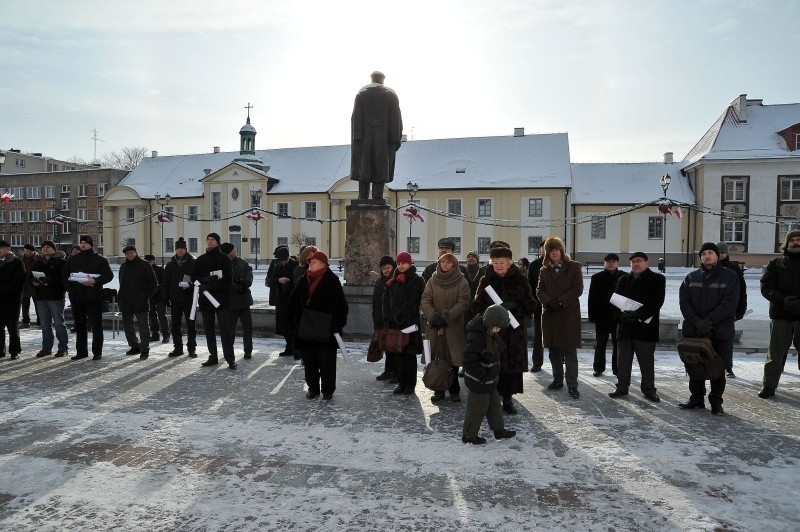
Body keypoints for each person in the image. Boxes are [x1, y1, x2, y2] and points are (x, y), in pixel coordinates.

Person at [473, 245, 536, 414]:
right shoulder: (485, 280)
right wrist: (489, 315)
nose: (499, 266)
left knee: (510, 367)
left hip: (514, 332)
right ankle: (492, 399)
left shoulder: (521, 280)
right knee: (492, 366)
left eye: (502, 262)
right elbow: (477, 304)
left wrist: (515, 306)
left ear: (509, 263)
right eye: (495, 263)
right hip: (493, 332)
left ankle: (508, 399)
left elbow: (531, 304)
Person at [678, 242, 739, 415]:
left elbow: (729, 304)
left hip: (720, 331)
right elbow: (684, 302)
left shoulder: (729, 276)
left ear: (717, 256)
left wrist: (709, 322)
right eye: (703, 254)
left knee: (717, 367)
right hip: (694, 330)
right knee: (694, 365)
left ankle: (716, 402)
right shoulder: (691, 277)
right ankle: (696, 398)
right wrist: (697, 322)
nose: (706, 256)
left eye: (710, 253)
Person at [288, 251, 348, 400]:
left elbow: (341, 306)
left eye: (313, 262)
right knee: (310, 362)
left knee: (327, 362)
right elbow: (293, 301)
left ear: (323, 264)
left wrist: (337, 325)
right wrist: (292, 321)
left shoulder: (332, 280)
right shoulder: (303, 279)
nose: (310, 264)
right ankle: (313, 388)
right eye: (310, 262)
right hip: (307, 328)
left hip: (326, 329)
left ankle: (328, 390)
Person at [608, 252, 665, 402]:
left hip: (645, 328)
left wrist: (638, 315)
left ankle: (649, 390)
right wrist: (620, 317)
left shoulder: (657, 279)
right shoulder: (623, 280)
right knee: (623, 361)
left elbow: (656, 302)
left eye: (639, 261)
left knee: (646, 362)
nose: (635, 264)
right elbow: (615, 301)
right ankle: (621, 387)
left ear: (647, 263)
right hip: (626, 327)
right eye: (633, 262)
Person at [461, 304, 517, 445]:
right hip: (479, 381)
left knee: (494, 406)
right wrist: (483, 376)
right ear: (489, 323)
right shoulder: (476, 337)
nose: (498, 330)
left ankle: (499, 430)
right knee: (477, 409)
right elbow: (468, 361)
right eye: (497, 327)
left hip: (490, 380)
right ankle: (469, 435)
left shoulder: (489, 333)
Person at [537, 236, 583, 398]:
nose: (554, 253)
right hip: (550, 314)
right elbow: (539, 290)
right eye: (550, 250)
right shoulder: (544, 270)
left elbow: (578, 289)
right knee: (554, 350)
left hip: (568, 315)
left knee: (569, 351)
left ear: (562, 250)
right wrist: (549, 302)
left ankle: (572, 385)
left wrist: (561, 302)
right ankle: (557, 379)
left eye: (556, 249)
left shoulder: (574, 266)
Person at [420, 252, 471, 403]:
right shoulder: (432, 280)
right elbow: (425, 300)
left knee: (453, 360)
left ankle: (454, 390)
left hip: (453, 327)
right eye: (443, 262)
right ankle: (439, 390)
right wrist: (434, 318)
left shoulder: (461, 281)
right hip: (435, 327)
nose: (445, 265)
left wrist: (446, 318)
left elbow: (463, 302)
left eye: (448, 262)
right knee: (437, 359)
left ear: (454, 265)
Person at [758, 230, 800, 399]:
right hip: (781, 315)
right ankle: (769, 386)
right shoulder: (776, 264)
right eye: (793, 240)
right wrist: (782, 300)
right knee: (775, 354)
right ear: (787, 243)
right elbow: (766, 287)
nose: (796, 242)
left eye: (799, 240)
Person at [351, 71, 403, 201]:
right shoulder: (390, 95)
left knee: (364, 169)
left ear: (371, 79)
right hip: (383, 140)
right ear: (382, 80)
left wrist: (356, 137)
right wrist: (396, 139)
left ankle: (362, 198)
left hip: (363, 140)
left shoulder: (362, 94)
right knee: (380, 168)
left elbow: (355, 117)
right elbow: (396, 118)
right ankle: (377, 198)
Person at [63, 235, 113, 361]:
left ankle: (97, 352)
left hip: (94, 297)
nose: (83, 245)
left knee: (96, 326)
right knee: (80, 326)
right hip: (77, 297)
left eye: (86, 243)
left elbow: (108, 275)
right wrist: (70, 290)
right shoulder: (73, 260)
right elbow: (64, 276)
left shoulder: (100, 260)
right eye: (81, 242)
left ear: (91, 244)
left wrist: (95, 281)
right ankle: (81, 351)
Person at [382, 251, 425, 395]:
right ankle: (401, 383)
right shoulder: (392, 281)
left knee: (409, 355)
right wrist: (388, 317)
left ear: (410, 263)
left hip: (409, 324)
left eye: (404, 263)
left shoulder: (417, 280)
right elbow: (386, 301)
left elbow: (414, 303)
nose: (401, 266)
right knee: (398, 355)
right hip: (394, 324)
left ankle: (410, 385)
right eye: (399, 263)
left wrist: (403, 318)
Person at [192, 233, 236, 369]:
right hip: (205, 299)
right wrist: (203, 281)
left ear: (218, 242)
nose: (210, 241)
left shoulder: (224, 259)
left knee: (225, 330)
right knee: (208, 329)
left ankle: (230, 358)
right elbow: (194, 277)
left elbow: (228, 279)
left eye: (213, 240)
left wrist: (210, 284)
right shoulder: (200, 259)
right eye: (208, 239)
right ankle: (213, 356)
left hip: (221, 300)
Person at [588, 253, 625, 377]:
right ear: (604, 262)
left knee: (618, 344)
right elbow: (591, 298)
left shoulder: (624, 276)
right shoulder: (597, 277)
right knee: (600, 344)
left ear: (617, 263)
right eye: (608, 261)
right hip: (602, 316)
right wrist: (592, 316)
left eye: (614, 261)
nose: (611, 263)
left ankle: (617, 369)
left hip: (618, 317)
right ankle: (598, 368)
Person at [118, 245, 158, 360]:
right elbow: (121, 283)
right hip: (126, 301)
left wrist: (146, 295)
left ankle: (145, 349)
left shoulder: (144, 265)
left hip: (141, 300)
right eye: (127, 253)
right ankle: (134, 346)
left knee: (143, 326)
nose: (129, 255)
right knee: (127, 326)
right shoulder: (123, 266)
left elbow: (153, 283)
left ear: (136, 253)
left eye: (131, 252)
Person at [31, 240, 69, 358]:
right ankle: (46, 348)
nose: (45, 249)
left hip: (55, 297)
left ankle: (63, 348)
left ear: (54, 249)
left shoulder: (61, 262)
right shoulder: (38, 262)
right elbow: (30, 277)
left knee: (59, 324)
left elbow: (64, 280)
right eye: (43, 247)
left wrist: (48, 280)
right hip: (41, 297)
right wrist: (34, 282)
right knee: (45, 325)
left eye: (48, 247)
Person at [161, 238, 197, 358]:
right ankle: (178, 348)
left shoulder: (193, 262)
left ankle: (192, 349)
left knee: (191, 324)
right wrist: (165, 297)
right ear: (175, 250)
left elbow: (198, 279)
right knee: (175, 325)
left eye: (182, 248)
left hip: (190, 299)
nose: (180, 250)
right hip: (175, 299)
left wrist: (191, 285)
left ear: (186, 249)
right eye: (178, 248)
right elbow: (165, 282)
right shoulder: (170, 265)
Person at [716, 241, 747, 378]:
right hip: (712, 310)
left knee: (727, 340)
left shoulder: (734, 270)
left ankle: (728, 367)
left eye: (723, 252)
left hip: (728, 312)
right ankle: (714, 365)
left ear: (727, 254)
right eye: (718, 253)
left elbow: (742, 292)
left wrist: (740, 310)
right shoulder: (711, 268)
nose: (721, 255)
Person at [221, 243, 254, 359]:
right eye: (234, 250)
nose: (236, 251)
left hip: (244, 300)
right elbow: (225, 280)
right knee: (230, 329)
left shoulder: (243, 262)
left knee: (248, 327)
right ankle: (230, 351)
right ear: (228, 252)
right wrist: (237, 287)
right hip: (231, 301)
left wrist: (245, 285)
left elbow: (249, 275)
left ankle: (248, 351)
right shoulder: (223, 264)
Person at [267, 246, 299, 358]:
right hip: (281, 299)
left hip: (294, 299)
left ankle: (296, 348)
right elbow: (270, 281)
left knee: (294, 324)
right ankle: (289, 347)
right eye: (281, 261)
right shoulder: (278, 266)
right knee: (284, 324)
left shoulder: (296, 265)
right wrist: (278, 280)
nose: (283, 263)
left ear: (288, 257)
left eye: (285, 260)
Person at [373, 255, 396, 382]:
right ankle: (388, 370)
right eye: (383, 268)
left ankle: (397, 372)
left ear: (393, 267)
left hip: (393, 321)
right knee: (387, 347)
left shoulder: (397, 280)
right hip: (381, 321)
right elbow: (375, 303)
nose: (386, 270)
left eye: (388, 267)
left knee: (395, 348)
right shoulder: (379, 282)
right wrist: (376, 320)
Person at [0, 240, 25, 360]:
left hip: (12, 300)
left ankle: (15, 350)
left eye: (2, 248)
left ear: (8, 249)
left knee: (12, 327)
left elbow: (18, 282)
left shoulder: (17, 263)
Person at [527, 241, 545, 372]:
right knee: (538, 337)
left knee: (557, 337)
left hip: (558, 307)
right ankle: (537, 362)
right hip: (539, 307)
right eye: (544, 248)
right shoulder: (534, 265)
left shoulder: (560, 264)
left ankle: (560, 361)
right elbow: (530, 287)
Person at [144, 254, 169, 343]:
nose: (148, 263)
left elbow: (164, 283)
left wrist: (156, 288)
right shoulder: (145, 270)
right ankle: (155, 335)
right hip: (150, 297)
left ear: (153, 261)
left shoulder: (160, 270)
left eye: (149, 261)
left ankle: (166, 335)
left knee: (162, 316)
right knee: (152, 316)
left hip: (159, 296)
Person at [20, 243, 41, 328]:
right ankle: (26, 322)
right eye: (26, 251)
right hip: (24, 286)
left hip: (35, 285)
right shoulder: (22, 259)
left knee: (38, 305)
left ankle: (40, 322)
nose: (27, 253)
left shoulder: (38, 258)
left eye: (29, 251)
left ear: (33, 251)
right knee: (25, 305)